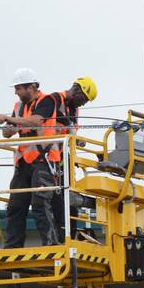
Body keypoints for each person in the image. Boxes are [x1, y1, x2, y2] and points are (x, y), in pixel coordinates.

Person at [0, 68, 61, 249]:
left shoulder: (47, 100)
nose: (16, 92)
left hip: (45, 160)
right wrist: (4, 124)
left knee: (40, 202)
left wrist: (9, 119)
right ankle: (12, 247)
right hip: (24, 162)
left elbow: (36, 121)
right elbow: (8, 134)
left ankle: (50, 245)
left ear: (30, 87)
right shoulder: (18, 107)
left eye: (18, 88)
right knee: (15, 205)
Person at [49, 77, 99, 243]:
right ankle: (60, 238)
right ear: (76, 89)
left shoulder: (74, 110)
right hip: (50, 157)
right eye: (83, 99)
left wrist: (78, 140)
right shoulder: (55, 100)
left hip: (64, 158)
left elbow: (69, 131)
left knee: (71, 200)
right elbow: (57, 122)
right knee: (58, 200)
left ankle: (71, 234)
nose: (82, 104)